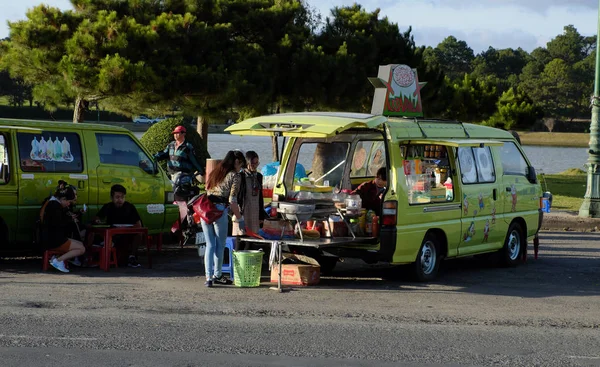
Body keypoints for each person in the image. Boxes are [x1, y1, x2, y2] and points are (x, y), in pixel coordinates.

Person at [201, 150, 246, 287]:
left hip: (206, 210)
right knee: (220, 246)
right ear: (237, 162)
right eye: (241, 165)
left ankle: (208, 277)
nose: (241, 168)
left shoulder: (216, 172)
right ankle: (218, 274)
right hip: (220, 210)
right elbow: (232, 200)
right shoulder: (235, 176)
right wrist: (240, 218)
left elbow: (207, 189)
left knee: (209, 245)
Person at [93, 184, 142, 268]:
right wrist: (97, 220)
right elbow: (97, 217)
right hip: (112, 235)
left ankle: (132, 257)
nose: (120, 200)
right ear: (112, 198)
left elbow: (138, 224)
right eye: (117, 197)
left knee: (139, 234)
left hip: (127, 233)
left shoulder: (129, 207)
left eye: (122, 197)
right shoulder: (108, 207)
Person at [41, 185, 86, 273]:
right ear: (63, 199)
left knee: (80, 244)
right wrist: (70, 220)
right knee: (81, 249)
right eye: (69, 202)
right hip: (54, 240)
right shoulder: (55, 206)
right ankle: (58, 261)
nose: (69, 204)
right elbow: (59, 223)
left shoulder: (52, 203)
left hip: (50, 237)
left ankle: (56, 258)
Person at [154, 125, 206, 191]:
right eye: (174, 133)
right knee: (170, 189)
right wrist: (153, 157)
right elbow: (163, 154)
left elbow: (194, 160)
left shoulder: (187, 147)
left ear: (183, 134)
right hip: (171, 173)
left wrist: (201, 170)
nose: (175, 135)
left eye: (177, 133)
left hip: (181, 173)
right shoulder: (171, 145)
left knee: (172, 189)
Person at [232, 151, 268, 239]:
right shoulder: (241, 176)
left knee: (253, 236)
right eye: (253, 163)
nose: (255, 166)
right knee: (241, 235)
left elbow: (260, 197)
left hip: (255, 210)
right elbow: (236, 195)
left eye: (257, 163)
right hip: (243, 210)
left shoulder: (259, 176)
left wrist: (261, 215)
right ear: (247, 163)